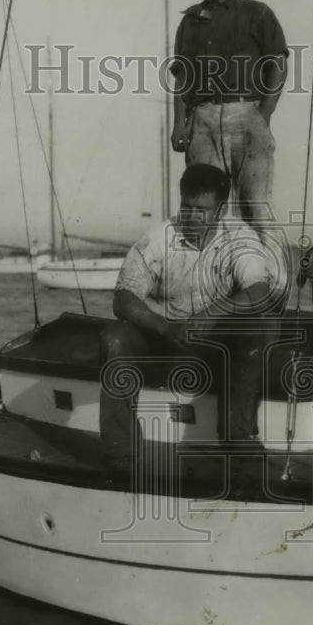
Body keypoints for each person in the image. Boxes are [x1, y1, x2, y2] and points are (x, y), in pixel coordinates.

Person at [99, 164, 272, 474]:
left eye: (202, 210)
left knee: (255, 325)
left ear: (220, 210)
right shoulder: (156, 239)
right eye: (186, 207)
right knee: (115, 336)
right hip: (164, 342)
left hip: (216, 351)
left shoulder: (241, 238)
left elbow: (259, 290)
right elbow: (123, 299)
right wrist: (166, 327)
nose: (191, 217)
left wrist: (214, 313)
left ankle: (237, 437)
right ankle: (119, 454)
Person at [169, 0, 288, 234]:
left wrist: (264, 114)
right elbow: (182, 77)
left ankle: (270, 278)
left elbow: (279, 64)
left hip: (247, 114)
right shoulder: (190, 21)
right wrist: (179, 124)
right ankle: (211, 277)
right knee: (204, 208)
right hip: (202, 120)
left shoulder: (258, 13)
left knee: (255, 208)